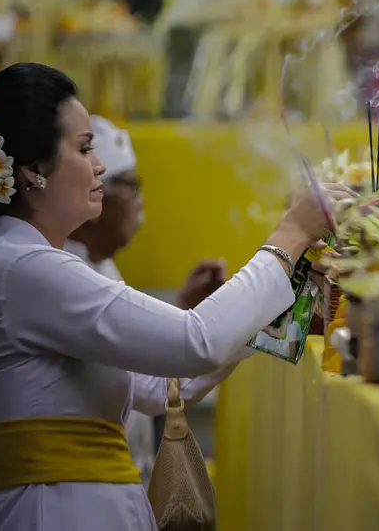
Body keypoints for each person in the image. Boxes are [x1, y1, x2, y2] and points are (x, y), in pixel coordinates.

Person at [0, 62, 355, 531]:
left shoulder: (24, 262)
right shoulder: (22, 268)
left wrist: (292, 308)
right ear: (34, 170)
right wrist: (290, 233)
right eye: (85, 148)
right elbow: (196, 341)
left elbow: (162, 385)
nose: (100, 166)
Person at [63, 115, 228, 487]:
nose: (141, 200)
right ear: (94, 193)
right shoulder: (67, 273)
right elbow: (153, 384)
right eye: (130, 185)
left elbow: (136, 359)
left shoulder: (99, 263)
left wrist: (182, 312)